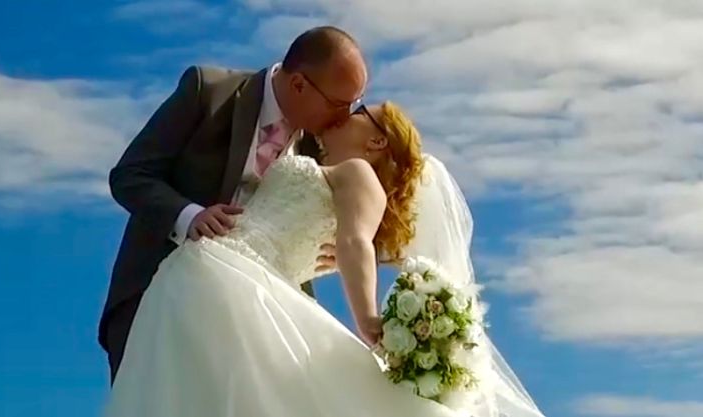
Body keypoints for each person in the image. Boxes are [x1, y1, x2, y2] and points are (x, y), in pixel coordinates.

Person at [103, 102, 545, 416]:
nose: (345, 113)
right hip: (214, 274)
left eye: (360, 111)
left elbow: (355, 245)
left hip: (227, 282)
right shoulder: (335, 176)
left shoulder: (357, 175)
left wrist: (368, 321)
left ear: (375, 138)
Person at [102, 26, 367, 381]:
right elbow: (130, 175)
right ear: (299, 84)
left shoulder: (322, 147)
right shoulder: (208, 91)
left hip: (254, 325)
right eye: (339, 104)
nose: (345, 116)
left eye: (354, 104)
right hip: (158, 303)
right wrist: (190, 217)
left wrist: (323, 258)